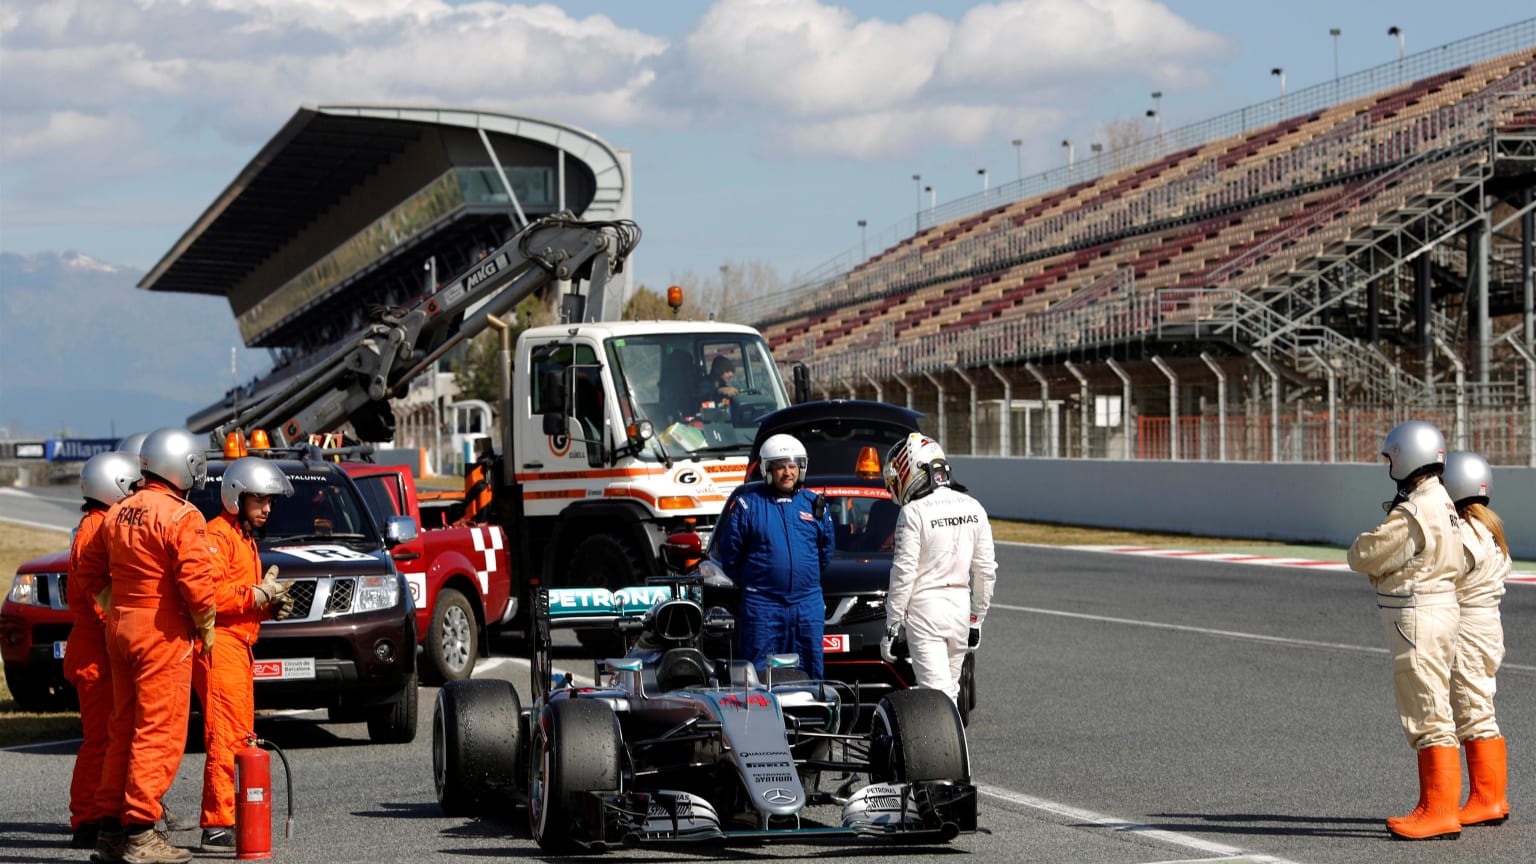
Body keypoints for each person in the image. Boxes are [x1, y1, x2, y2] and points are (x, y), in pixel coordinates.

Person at [75, 427, 218, 864]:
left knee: (122, 730)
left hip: (121, 627)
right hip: (163, 632)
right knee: (158, 732)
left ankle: (112, 832)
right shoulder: (181, 516)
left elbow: (89, 568)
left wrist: (113, 605)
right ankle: (141, 833)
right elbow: (196, 583)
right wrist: (206, 625)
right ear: (182, 464)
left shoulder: (119, 511)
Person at [1347, 420, 1469, 841]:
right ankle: (1438, 806)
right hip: (1441, 609)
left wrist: (1369, 553)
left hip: (1417, 612)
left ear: (1406, 457)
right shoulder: (1446, 503)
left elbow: (1365, 554)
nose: (1389, 466)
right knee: (1435, 704)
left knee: (1425, 708)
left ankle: (1438, 810)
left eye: (1391, 458)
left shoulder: (1415, 509)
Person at [193, 457, 293, 852]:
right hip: (220, 645)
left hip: (239, 647)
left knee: (240, 733)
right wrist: (256, 596)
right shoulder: (217, 536)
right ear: (237, 497)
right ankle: (217, 824)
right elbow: (210, 595)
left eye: (269, 500)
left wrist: (268, 606)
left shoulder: (244, 538)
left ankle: (230, 815)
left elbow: (241, 596)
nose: (266, 507)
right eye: (259, 499)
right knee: (225, 735)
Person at [879, 433, 997, 707]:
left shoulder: (913, 512)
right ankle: (954, 748)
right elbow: (986, 572)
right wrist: (976, 618)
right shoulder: (974, 507)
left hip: (924, 608)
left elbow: (903, 574)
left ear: (912, 468)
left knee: (937, 700)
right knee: (949, 693)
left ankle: (951, 749)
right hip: (959, 606)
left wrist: (893, 625)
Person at [63, 451, 141, 850]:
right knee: (100, 740)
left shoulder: (95, 524)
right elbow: (99, 599)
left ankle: (102, 812)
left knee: (109, 738)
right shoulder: (96, 530)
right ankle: (87, 819)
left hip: (95, 646)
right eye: (131, 488)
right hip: (95, 650)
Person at [712, 433, 832, 678]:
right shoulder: (748, 505)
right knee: (758, 673)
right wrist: (757, 582)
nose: (787, 472)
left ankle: (813, 712)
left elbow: (825, 551)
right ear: (768, 469)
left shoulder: (814, 505)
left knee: (810, 668)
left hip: (806, 603)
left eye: (792, 466)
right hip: (763, 605)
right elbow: (730, 554)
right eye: (780, 467)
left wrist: (802, 578)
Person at [1443, 450, 1512, 827]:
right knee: (1477, 706)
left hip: (1467, 628)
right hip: (1486, 625)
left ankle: (1488, 798)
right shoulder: (1490, 529)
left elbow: (1441, 573)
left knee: (1472, 710)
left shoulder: (1465, 532)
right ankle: (1491, 797)